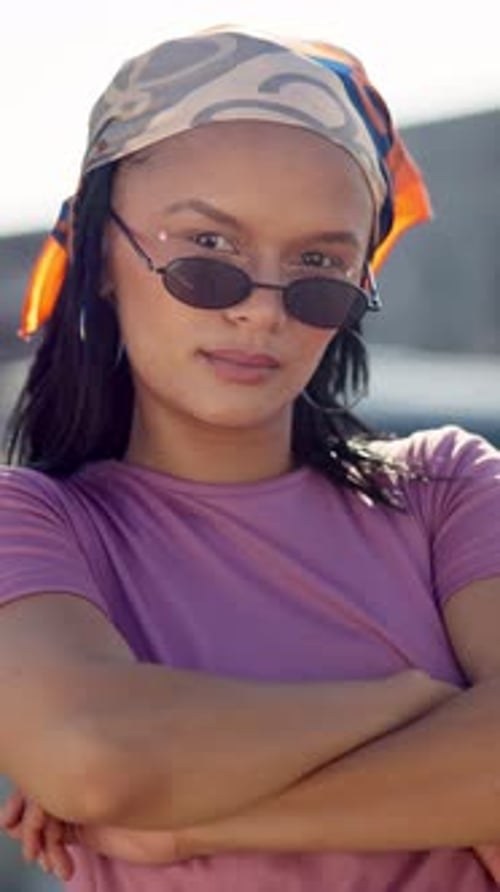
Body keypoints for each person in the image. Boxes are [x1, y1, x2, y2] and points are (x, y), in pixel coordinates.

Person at [0, 25, 499, 892]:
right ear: (99, 251)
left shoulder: (446, 489)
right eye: (208, 254)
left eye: (319, 266)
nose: (262, 312)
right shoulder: (39, 525)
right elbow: (95, 757)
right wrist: (417, 700)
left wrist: (184, 826)